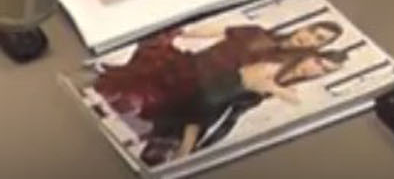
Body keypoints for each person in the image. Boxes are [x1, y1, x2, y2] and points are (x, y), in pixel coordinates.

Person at [91, 19, 343, 135]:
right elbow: (220, 31)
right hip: (187, 66)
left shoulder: (285, 66)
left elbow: (263, 85)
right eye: (312, 31)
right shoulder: (256, 32)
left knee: (146, 103)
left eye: (319, 40)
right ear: (304, 26)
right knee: (146, 65)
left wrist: (274, 88)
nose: (309, 38)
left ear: (318, 48)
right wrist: (181, 33)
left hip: (203, 89)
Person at [138, 50, 349, 166]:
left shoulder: (287, 85)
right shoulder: (269, 69)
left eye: (325, 71)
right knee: (155, 162)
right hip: (190, 119)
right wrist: (187, 144)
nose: (316, 70)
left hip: (215, 127)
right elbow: (208, 101)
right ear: (309, 56)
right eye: (318, 63)